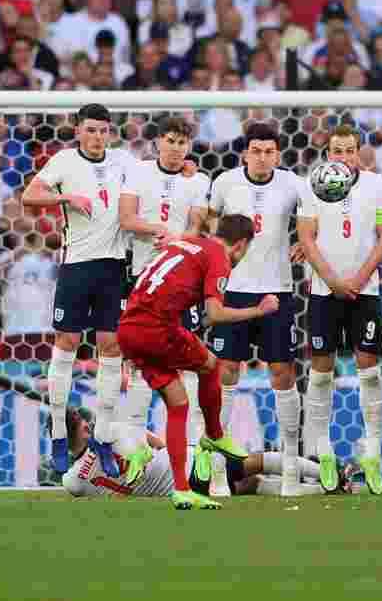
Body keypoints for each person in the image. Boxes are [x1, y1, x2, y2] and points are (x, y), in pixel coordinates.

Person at [115, 214, 276, 510]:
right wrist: (258, 310)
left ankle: (181, 489)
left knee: (178, 404)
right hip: (156, 328)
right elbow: (215, 314)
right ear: (241, 244)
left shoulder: (187, 243)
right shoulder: (220, 257)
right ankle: (214, 434)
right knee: (211, 364)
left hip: (127, 330)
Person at [20, 103, 134, 477]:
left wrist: (185, 170)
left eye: (103, 130)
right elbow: (29, 196)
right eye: (91, 130)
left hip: (114, 266)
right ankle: (58, 432)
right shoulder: (65, 162)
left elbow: (154, 180)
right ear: (78, 131)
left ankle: (103, 438)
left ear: (110, 132)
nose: (98, 137)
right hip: (77, 266)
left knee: (111, 348)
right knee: (67, 342)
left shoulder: (124, 161)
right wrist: (65, 198)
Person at [208, 124, 311, 496]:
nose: (263, 157)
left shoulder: (293, 184)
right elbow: (207, 222)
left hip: (276, 290)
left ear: (278, 154)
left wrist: (305, 240)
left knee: (282, 373)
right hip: (233, 290)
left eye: (269, 151)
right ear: (245, 153)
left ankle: (290, 470)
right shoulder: (225, 183)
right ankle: (217, 471)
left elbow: (315, 217)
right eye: (256, 150)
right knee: (225, 373)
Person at [296, 125, 382, 495]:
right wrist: (332, 280)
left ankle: (372, 453)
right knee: (321, 372)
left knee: (369, 370)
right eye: (337, 151)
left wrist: (359, 277)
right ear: (328, 154)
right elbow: (306, 237)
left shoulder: (377, 185)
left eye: (349, 150)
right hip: (325, 292)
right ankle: (323, 452)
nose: (343, 157)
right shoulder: (312, 186)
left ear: (359, 153)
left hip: (364, 291)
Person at [115, 115, 211, 486]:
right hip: (143, 279)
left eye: (182, 142)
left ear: (189, 146)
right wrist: (156, 229)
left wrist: (177, 240)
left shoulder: (198, 180)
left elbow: (197, 226)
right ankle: (137, 447)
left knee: (188, 363)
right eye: (170, 140)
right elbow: (126, 218)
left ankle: (193, 451)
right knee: (142, 364)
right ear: (157, 142)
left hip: (182, 284)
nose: (175, 148)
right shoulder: (139, 172)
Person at [56, 408, 341, 499]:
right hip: (183, 465)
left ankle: (323, 486)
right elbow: (153, 441)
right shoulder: (112, 431)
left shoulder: (74, 479)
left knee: (249, 484)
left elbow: (71, 482)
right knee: (249, 465)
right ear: (81, 430)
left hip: (177, 486)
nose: (88, 424)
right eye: (83, 423)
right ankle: (326, 476)